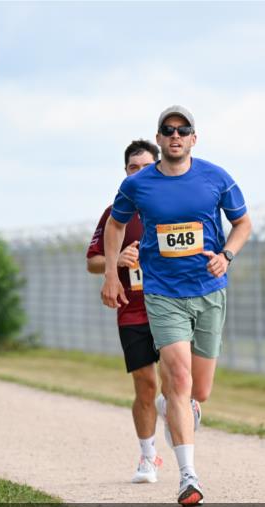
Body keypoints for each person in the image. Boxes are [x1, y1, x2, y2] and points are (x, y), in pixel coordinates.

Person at [100, 105, 252, 507]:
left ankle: (180, 406)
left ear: (193, 138)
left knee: (199, 389)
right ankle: (188, 477)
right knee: (180, 378)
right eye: (168, 130)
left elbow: (243, 224)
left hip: (208, 289)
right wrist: (112, 274)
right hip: (162, 293)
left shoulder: (216, 177)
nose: (175, 136)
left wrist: (227, 255)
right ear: (160, 136)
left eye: (183, 130)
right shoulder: (139, 184)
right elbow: (115, 225)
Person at [88, 140, 197, 484]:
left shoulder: (174, 207)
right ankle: (148, 458)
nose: (139, 173)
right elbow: (92, 261)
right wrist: (115, 261)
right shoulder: (114, 214)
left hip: (171, 307)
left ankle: (177, 404)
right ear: (126, 173)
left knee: (173, 380)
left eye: (145, 167)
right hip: (132, 310)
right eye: (132, 168)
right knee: (145, 384)